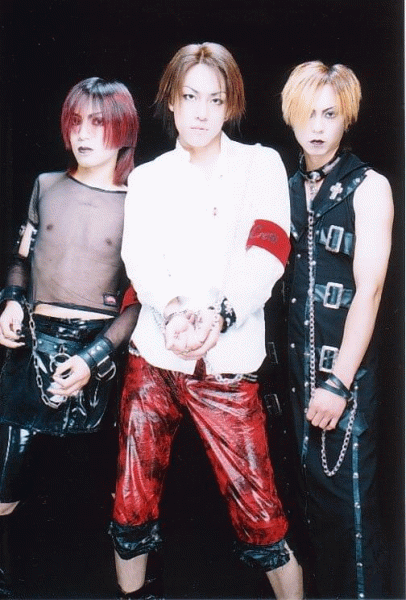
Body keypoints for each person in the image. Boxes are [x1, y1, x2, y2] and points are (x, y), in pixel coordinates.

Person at [109, 42, 303, 600]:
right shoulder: (149, 178)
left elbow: (269, 247)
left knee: (261, 513)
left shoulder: (260, 165)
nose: (201, 112)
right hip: (156, 356)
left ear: (231, 104)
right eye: (190, 97)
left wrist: (222, 314)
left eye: (215, 99)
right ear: (171, 100)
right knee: (131, 503)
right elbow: (140, 255)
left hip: (228, 363)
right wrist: (172, 310)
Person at [0, 77, 140, 596]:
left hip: (96, 355)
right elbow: (21, 259)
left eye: (98, 123)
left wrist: (94, 356)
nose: (84, 134)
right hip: (30, 345)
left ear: (123, 129)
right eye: (76, 122)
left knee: (88, 495)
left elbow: (138, 300)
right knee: (6, 486)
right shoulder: (45, 185)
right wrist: (10, 301)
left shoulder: (140, 201)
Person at [281, 61, 393, 598]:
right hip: (290, 383)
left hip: (342, 381)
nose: (318, 126)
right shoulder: (282, 189)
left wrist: (339, 382)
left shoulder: (370, 187)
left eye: (329, 114)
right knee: (306, 516)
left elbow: (369, 291)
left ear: (346, 119)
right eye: (308, 114)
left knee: (351, 518)